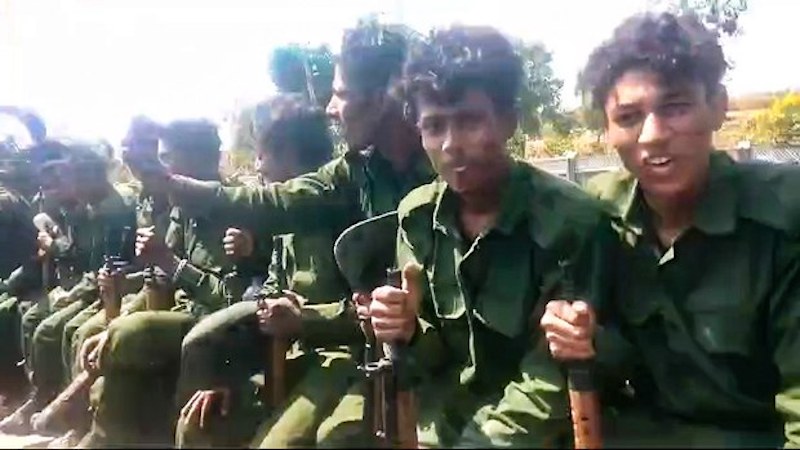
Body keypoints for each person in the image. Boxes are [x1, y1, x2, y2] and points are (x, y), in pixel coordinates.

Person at [318, 25, 617, 448]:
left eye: (470, 121)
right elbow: (431, 356)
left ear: (509, 121)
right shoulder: (417, 217)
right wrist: (404, 328)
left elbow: (550, 380)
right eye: (435, 126)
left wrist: (475, 443)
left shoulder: (572, 222)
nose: (452, 144)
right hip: (440, 420)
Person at [544, 11, 800, 447]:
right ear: (606, 129)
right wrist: (578, 338)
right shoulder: (597, 217)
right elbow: (608, 367)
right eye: (627, 117)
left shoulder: (783, 214)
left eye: (675, 107)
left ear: (717, 107)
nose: (653, 135)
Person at [174, 93, 353, 448]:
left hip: (338, 357)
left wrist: (307, 319)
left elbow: (366, 311)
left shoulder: (339, 209)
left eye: (263, 154)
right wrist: (228, 371)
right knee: (197, 423)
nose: (258, 166)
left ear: (290, 154)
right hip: (281, 350)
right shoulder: (280, 217)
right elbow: (270, 287)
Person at [76, 118, 260, 447]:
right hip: (180, 314)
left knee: (128, 334)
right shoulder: (180, 209)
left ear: (199, 160)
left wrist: (169, 263)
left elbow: (231, 300)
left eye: (168, 158)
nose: (161, 169)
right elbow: (159, 281)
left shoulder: (234, 208)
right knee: (112, 342)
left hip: (215, 327)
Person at [0, 140, 138, 434]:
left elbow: (105, 266)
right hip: (91, 288)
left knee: (61, 329)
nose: (67, 184)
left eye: (72, 177)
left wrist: (71, 292)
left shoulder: (113, 211)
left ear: (90, 176)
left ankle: (73, 417)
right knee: (35, 318)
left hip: (111, 291)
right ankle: (42, 396)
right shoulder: (87, 209)